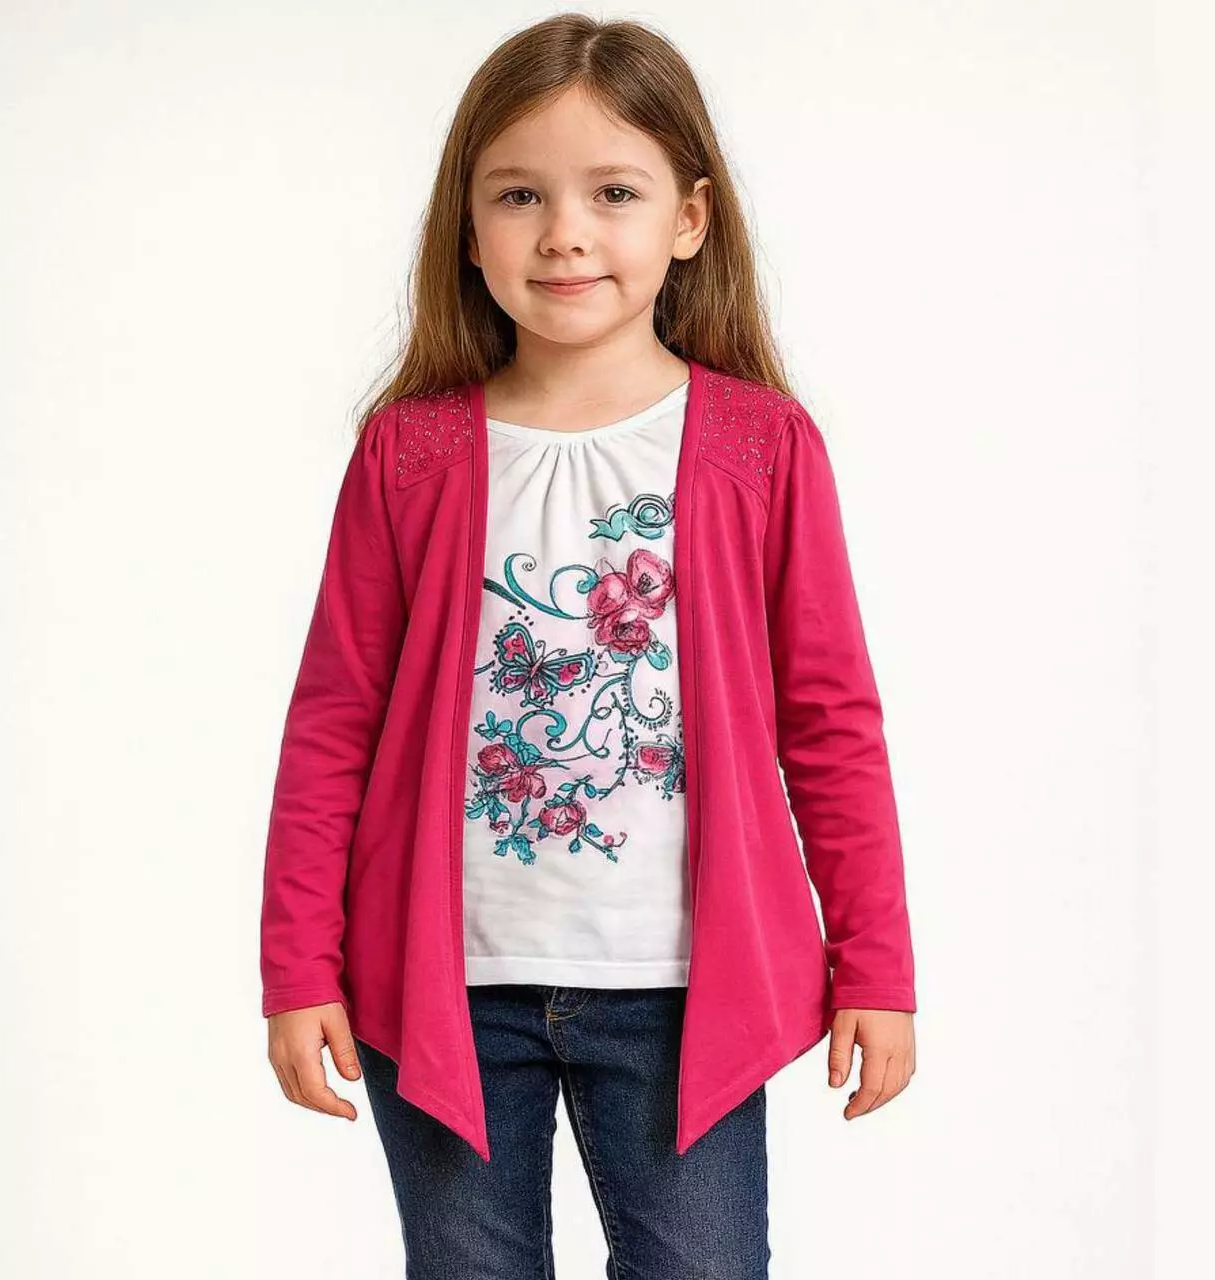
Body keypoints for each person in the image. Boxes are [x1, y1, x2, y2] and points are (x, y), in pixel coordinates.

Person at [259, 12, 917, 1277]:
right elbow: (333, 720)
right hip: (442, 988)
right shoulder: (409, 452)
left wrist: (874, 966)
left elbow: (830, 719)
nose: (564, 231)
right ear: (468, 229)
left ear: (688, 218)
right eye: (519, 195)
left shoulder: (760, 446)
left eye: (612, 192)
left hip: (682, 990)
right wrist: (297, 968)